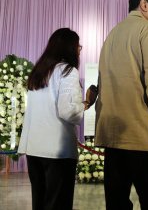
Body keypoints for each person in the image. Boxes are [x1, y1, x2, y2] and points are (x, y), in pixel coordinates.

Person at [95, 0, 148, 210]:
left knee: (117, 203)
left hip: (112, 135)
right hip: (140, 135)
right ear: (143, 4)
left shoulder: (113, 33)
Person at [18, 28, 94, 210]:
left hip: (34, 150)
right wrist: (86, 103)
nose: (79, 50)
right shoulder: (68, 71)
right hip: (57, 153)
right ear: (70, 48)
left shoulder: (39, 72)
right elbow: (68, 111)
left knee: (40, 203)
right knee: (58, 204)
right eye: (78, 46)